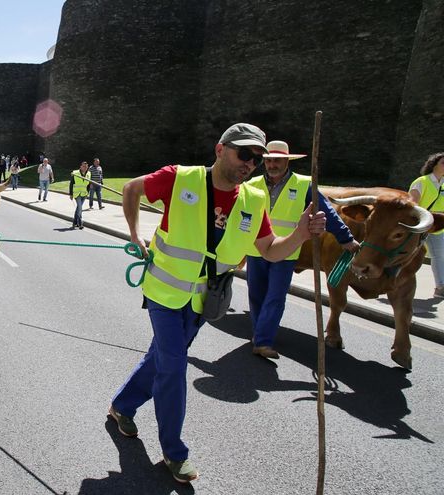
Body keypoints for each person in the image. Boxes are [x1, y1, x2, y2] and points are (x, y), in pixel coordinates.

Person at [108, 123, 326, 484]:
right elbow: (131, 189)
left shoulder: (254, 200)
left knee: (161, 358)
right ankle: (174, 452)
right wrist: (134, 234)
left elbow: (270, 251)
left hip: (205, 301)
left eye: (258, 158)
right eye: (245, 154)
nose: (251, 163)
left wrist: (301, 234)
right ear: (221, 149)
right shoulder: (180, 178)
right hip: (163, 293)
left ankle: (123, 406)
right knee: (174, 366)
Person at [246, 140, 360, 359]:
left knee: (275, 297)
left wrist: (345, 238)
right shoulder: (251, 185)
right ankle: (259, 332)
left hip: (287, 250)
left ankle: (263, 341)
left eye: (277, 160)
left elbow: (328, 213)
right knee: (256, 294)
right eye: (269, 160)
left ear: (287, 161)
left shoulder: (304, 185)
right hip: (256, 249)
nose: (272, 165)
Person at [409, 151, 444, 297]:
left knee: (439, 255)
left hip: (438, 226)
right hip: (420, 224)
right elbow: (412, 204)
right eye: (443, 163)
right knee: (408, 255)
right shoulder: (421, 181)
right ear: (433, 165)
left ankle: (440, 288)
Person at [69, 161, 91, 228]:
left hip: (84, 193)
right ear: (80, 166)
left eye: (86, 167)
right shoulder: (75, 173)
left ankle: (74, 222)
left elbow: (88, 184)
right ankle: (80, 223)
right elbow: (71, 184)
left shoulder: (89, 174)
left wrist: (88, 192)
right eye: (84, 166)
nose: (85, 168)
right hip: (77, 193)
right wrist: (71, 194)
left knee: (79, 208)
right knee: (80, 207)